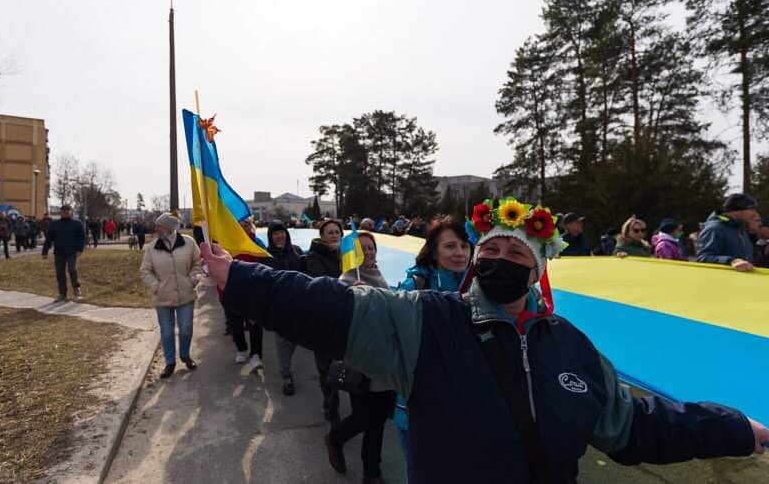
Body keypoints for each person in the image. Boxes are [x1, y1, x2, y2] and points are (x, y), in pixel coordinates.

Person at [202, 196, 769, 483]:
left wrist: (732, 428)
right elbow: (334, 308)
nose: (498, 259)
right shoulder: (427, 319)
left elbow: (632, 425)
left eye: (515, 252)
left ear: (537, 269)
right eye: (489, 250)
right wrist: (243, 279)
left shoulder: (570, 345)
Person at [396, 215, 471, 482]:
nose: (460, 253)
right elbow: (396, 328)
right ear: (434, 251)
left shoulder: (480, 283)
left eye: (464, 245)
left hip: (466, 397)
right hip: (421, 395)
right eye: (450, 246)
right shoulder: (415, 284)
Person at [326, 231, 394, 484]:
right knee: (366, 416)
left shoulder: (378, 274)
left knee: (379, 418)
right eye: (362, 249)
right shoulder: (347, 280)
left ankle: (371, 472)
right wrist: (351, 299)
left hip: (386, 360)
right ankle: (335, 438)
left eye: (371, 247)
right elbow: (339, 320)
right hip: (362, 362)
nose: (368, 252)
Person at [139, 212, 202, 379]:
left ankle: (185, 356)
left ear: (168, 228)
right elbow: (145, 271)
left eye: (159, 226)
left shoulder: (188, 242)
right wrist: (156, 286)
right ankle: (170, 363)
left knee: (186, 328)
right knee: (167, 332)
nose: (156, 229)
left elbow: (198, 263)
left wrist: (192, 280)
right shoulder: (152, 247)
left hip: (186, 294)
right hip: (162, 297)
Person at [302, 218, 344, 422]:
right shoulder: (313, 257)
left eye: (337, 232)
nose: (334, 236)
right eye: (330, 232)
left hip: (344, 317)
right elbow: (322, 284)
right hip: (323, 319)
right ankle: (331, 406)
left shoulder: (347, 254)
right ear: (322, 236)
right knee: (326, 368)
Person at [263, 221, 304, 395]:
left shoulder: (297, 252)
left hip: (300, 304)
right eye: (275, 233)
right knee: (283, 343)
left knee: (300, 338)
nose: (280, 236)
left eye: (282, 232)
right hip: (279, 307)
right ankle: (286, 374)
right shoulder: (265, 256)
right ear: (270, 237)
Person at [226, 217, 267, 371]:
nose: (244, 228)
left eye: (246, 225)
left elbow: (265, 262)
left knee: (255, 323)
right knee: (236, 322)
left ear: (251, 226)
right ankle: (241, 349)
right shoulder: (229, 243)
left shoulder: (257, 242)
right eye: (240, 226)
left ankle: (256, 355)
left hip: (253, 289)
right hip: (234, 289)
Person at [696, 193, 761, 272]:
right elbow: (703, 258)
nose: (754, 214)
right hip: (721, 278)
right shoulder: (715, 228)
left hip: (740, 278)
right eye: (751, 210)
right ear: (737, 210)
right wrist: (732, 261)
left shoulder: (741, 230)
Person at [42, 205, 85, 301]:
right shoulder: (55, 224)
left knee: (72, 269)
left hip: (72, 252)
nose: (65, 212)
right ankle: (62, 294)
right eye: (63, 211)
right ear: (60, 212)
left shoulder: (77, 223)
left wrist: (80, 249)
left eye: (67, 211)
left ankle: (76, 289)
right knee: (60, 273)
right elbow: (49, 239)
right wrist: (45, 251)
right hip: (59, 252)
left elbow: (81, 238)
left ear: (71, 212)